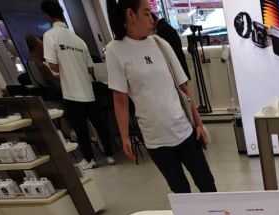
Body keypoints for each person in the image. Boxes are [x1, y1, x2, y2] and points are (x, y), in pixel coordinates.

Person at [106, 0, 216, 194]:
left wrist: (198, 123)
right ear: (130, 15)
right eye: (146, 13)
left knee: (207, 184)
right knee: (180, 190)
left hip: (184, 130)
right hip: (155, 138)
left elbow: (183, 88)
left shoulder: (160, 44)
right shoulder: (115, 50)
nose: (152, 19)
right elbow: (120, 98)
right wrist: (124, 136)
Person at [42, 1, 115, 168]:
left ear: (48, 17)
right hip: (88, 90)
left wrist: (65, 68)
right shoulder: (78, 40)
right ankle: (110, 156)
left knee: (81, 129)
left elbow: (53, 66)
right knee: (99, 126)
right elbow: (90, 69)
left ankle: (90, 160)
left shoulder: (50, 36)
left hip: (71, 92)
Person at [24, 33, 62, 100]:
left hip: (45, 97)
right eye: (43, 48)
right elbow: (58, 88)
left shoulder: (29, 63)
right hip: (55, 98)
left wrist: (56, 77)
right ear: (38, 48)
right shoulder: (41, 66)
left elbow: (46, 80)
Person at [155, 14, 190, 80]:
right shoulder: (165, 26)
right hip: (179, 58)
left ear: (155, 21)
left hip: (175, 61)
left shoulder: (161, 30)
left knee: (180, 83)